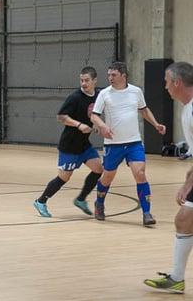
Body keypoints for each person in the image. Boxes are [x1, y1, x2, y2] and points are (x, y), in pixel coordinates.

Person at [90, 61, 166, 226]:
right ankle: (99, 203)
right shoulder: (104, 94)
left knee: (140, 174)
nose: (110, 78)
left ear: (123, 76)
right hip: (113, 144)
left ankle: (146, 213)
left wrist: (156, 124)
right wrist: (102, 126)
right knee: (108, 177)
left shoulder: (135, 91)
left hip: (134, 142)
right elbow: (94, 116)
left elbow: (144, 110)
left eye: (114, 75)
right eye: (109, 74)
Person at [144, 61, 193, 293]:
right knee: (184, 220)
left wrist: (187, 184)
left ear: (177, 82)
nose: (164, 87)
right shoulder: (188, 108)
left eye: (166, 82)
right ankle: (176, 278)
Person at [33, 66, 103, 218]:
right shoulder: (75, 97)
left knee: (99, 168)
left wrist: (97, 125)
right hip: (69, 145)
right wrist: (79, 124)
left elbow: (94, 114)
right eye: (81, 80)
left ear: (94, 81)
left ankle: (81, 199)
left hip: (84, 144)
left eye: (87, 80)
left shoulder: (98, 95)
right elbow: (61, 116)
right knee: (64, 177)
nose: (83, 83)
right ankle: (41, 201)